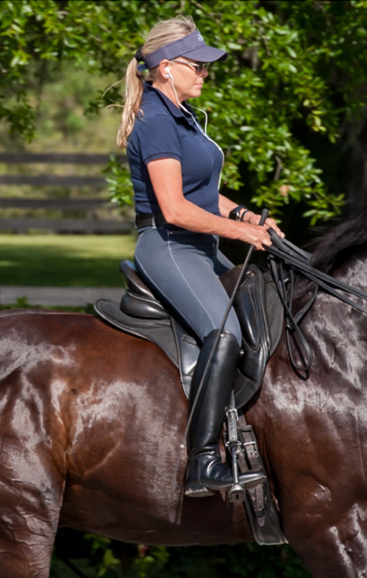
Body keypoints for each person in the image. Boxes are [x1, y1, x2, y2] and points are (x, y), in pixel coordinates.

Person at [116, 15, 284, 498]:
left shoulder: (181, 116)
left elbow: (202, 194)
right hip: (168, 245)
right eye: (198, 66)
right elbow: (174, 208)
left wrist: (250, 217)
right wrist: (238, 232)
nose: (205, 74)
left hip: (198, 246)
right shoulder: (155, 119)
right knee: (225, 333)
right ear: (166, 68)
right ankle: (203, 462)